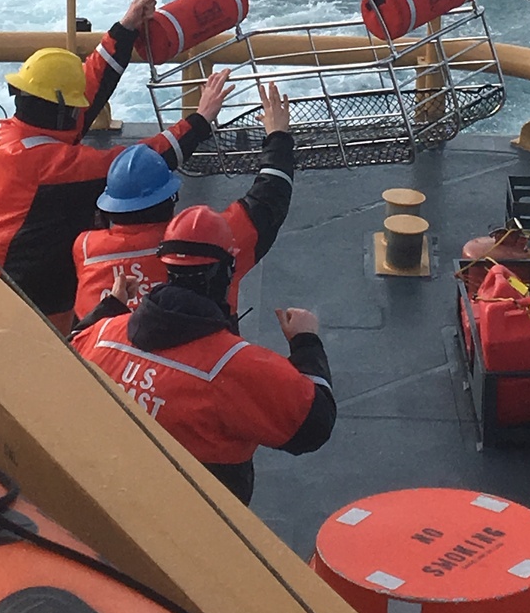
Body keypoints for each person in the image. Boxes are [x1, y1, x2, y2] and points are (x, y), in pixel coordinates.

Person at [0, 0, 233, 333]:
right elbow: (137, 163)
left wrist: (126, 27)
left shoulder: (7, 131)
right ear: (61, 111)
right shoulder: (50, 166)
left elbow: (89, 84)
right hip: (22, 300)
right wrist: (200, 120)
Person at [72, 204, 335, 505]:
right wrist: (306, 341)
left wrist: (109, 307)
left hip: (111, 502)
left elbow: (65, 351)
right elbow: (314, 424)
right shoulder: (234, 366)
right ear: (225, 271)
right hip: (202, 519)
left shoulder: (102, 335)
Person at [71, 81, 293, 322]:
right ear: (171, 199)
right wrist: (277, 135)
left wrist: (199, 121)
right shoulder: (213, 244)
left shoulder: (85, 248)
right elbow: (269, 198)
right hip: (206, 346)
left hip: (103, 347)